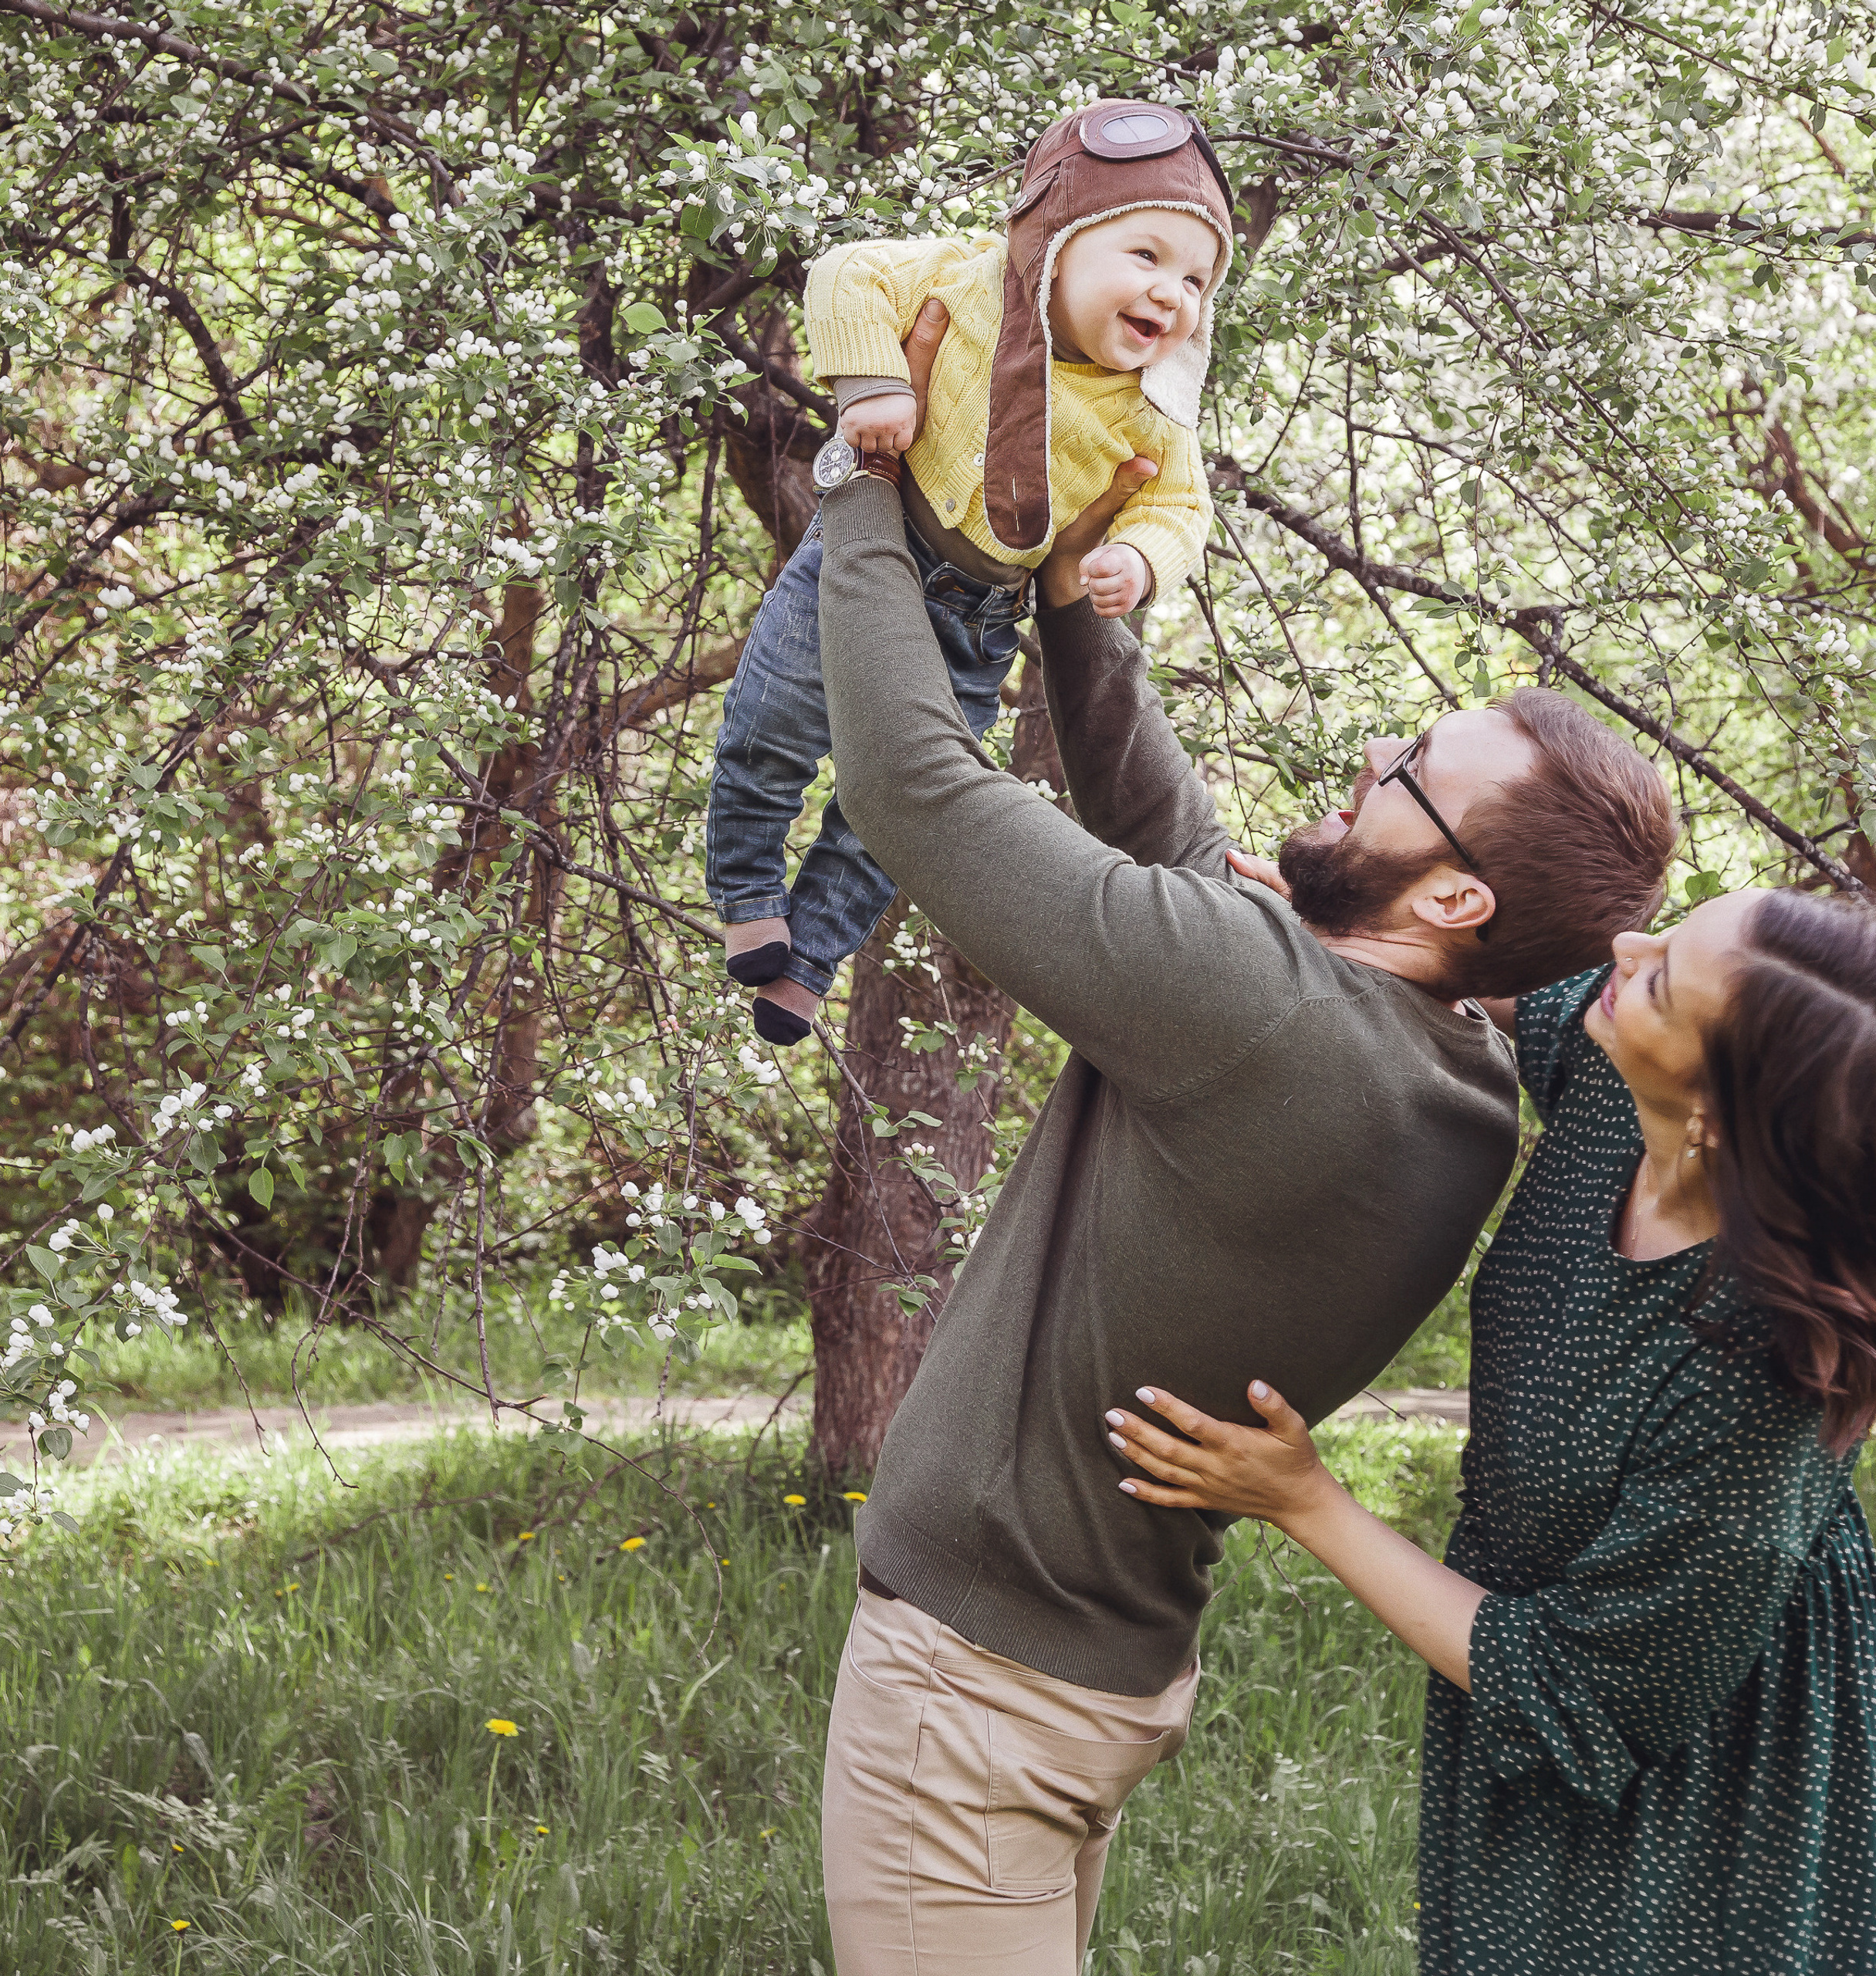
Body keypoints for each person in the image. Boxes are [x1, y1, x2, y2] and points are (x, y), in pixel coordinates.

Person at [809, 303, 1679, 1975]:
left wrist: (861, 467)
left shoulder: (1266, 1010)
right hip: (1078, 1671)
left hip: (976, 1692)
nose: (1370, 756)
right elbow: (1182, 854)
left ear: (1448, 895)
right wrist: (1075, 603)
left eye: (1409, 772)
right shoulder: (1442, 1077)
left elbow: (908, 782)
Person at [1106, 888, 1876, 1972]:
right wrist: (1365, 919)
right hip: (1545, 1642)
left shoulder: (1756, 1380)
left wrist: (1304, 1501)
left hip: (1695, 1749)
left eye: (1660, 975)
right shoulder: (1624, 1072)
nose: (1624, 945)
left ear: (1719, 1118)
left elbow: (1581, 1690)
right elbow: (1514, 989)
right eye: (1671, 927)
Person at [707, 100, 1234, 1047]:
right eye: (1146, 257)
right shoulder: (968, 282)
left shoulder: (1155, 407)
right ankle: (746, 894)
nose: (1173, 293)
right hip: (867, 554)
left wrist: (1136, 559)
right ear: (1058, 241)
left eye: (1197, 278)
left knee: (900, 806)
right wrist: (875, 384)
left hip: (979, 617)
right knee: (770, 722)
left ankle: (813, 956)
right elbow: (844, 274)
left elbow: (1179, 506)